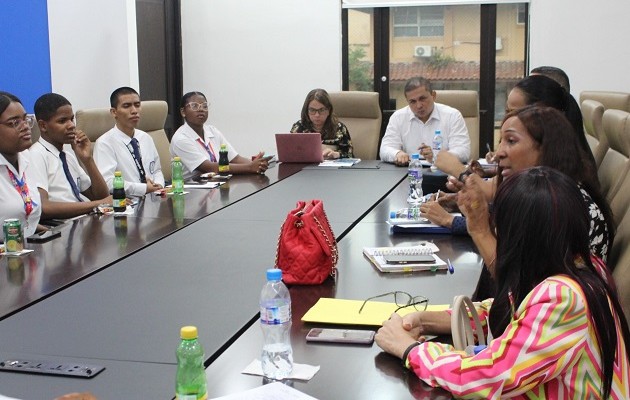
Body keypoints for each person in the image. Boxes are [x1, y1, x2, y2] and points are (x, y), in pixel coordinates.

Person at [375, 166, 630, 399]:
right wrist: (425, 319)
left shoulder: (564, 297)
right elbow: (511, 309)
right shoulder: (580, 265)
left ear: (517, 233)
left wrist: (409, 350)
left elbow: (488, 377)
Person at [423, 106, 613, 263]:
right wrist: (470, 209)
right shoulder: (548, 193)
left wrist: (478, 229)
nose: (498, 154)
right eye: (501, 142)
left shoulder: (558, 204)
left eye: (511, 141)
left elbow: (515, 280)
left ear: (546, 147)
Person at [30, 93, 111, 220]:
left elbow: (100, 196)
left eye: (71, 119)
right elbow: (43, 207)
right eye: (62, 121)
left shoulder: (68, 156)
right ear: (43, 126)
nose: (71, 125)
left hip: (84, 222)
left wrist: (87, 160)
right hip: (62, 229)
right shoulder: (36, 155)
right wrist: (97, 204)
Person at [170, 91, 272, 180]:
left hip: (215, 185)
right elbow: (209, 167)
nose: (201, 109)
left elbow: (235, 159)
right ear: (183, 112)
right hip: (191, 192)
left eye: (204, 106)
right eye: (194, 106)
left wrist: (257, 163)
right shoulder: (181, 139)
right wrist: (250, 167)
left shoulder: (212, 131)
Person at [379, 77, 470, 166]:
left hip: (444, 171)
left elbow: (463, 150)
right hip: (410, 171)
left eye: (422, 99)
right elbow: (385, 149)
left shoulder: (452, 115)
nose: (419, 106)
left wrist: (436, 157)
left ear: (433, 95)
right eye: (413, 102)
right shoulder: (398, 117)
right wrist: (397, 154)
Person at [93, 87, 165, 196]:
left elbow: (157, 170)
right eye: (126, 106)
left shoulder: (145, 138)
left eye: (137, 105)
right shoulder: (104, 143)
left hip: (154, 198)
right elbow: (107, 183)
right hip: (128, 204)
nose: (134, 111)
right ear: (114, 112)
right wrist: (144, 188)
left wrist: (159, 185)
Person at [0, 91, 42, 240]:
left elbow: (25, 213)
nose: (25, 127)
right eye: (14, 123)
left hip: (24, 249)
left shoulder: (25, 156)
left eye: (25, 120)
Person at [290, 88, 353, 160]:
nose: (317, 115)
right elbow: (290, 152)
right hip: (306, 168)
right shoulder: (299, 127)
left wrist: (336, 154)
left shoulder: (339, 128)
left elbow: (350, 155)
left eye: (322, 110)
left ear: (329, 110)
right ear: (306, 111)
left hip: (332, 169)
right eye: (312, 110)